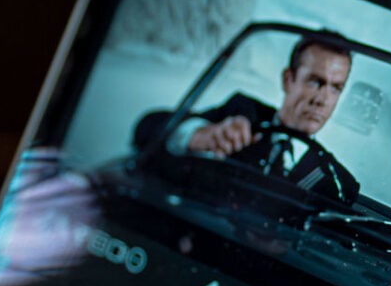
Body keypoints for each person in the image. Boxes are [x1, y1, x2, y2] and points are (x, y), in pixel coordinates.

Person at [135, 33, 362, 204]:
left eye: (336, 88)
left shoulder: (337, 183)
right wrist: (197, 136)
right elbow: (147, 127)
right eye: (314, 81)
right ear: (288, 79)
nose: (322, 99)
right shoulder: (240, 112)